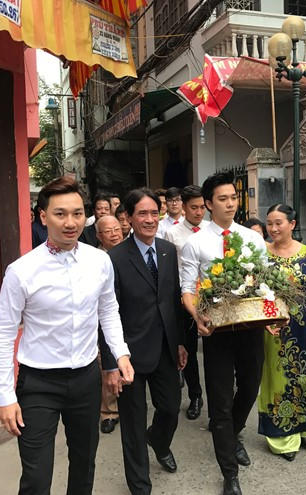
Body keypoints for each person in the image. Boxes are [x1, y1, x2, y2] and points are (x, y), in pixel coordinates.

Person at [0, 176, 134, 495]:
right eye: (60, 214)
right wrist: (5, 396)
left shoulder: (99, 261)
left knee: (84, 465)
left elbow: (108, 310)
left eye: (77, 213)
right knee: (36, 477)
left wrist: (120, 352)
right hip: (38, 384)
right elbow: (2, 334)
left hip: (85, 379)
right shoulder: (22, 271)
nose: (70, 223)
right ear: (44, 217)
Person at [180, 172, 267, 495]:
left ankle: (233, 434)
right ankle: (229, 473)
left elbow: (264, 280)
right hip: (216, 330)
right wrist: (196, 315)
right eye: (222, 199)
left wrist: (273, 315)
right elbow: (187, 290)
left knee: (250, 387)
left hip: (250, 326)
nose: (230, 204)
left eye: (233, 198)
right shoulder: (196, 243)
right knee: (219, 402)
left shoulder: (252, 238)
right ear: (208, 204)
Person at [100, 188, 187, 495]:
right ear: (128, 218)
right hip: (129, 355)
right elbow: (106, 313)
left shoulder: (167, 250)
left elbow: (172, 301)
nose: (150, 220)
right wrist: (111, 364)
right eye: (142, 214)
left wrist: (180, 343)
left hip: (164, 349)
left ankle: (159, 441)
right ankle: (140, 487)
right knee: (133, 426)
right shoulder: (114, 259)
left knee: (171, 409)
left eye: (154, 213)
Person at [257, 204, 306, 462]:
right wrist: (263, 320)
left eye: (278, 223)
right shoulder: (261, 255)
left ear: (292, 224)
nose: (273, 228)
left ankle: (305, 427)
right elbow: (253, 292)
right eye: (269, 223)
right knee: (279, 380)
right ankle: (283, 437)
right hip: (276, 330)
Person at [165, 185, 209, 421]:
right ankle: (195, 395)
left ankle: (216, 398)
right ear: (183, 207)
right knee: (189, 349)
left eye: (202, 207)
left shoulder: (211, 230)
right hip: (186, 298)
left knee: (214, 350)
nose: (199, 212)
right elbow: (172, 270)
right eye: (194, 207)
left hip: (212, 298)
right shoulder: (173, 234)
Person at [95, 215, 125, 434]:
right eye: (108, 231)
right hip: (104, 318)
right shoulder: (95, 259)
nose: (114, 234)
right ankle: (109, 412)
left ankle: (127, 406)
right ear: (99, 236)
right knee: (107, 363)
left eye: (117, 229)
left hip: (129, 317)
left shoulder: (130, 253)